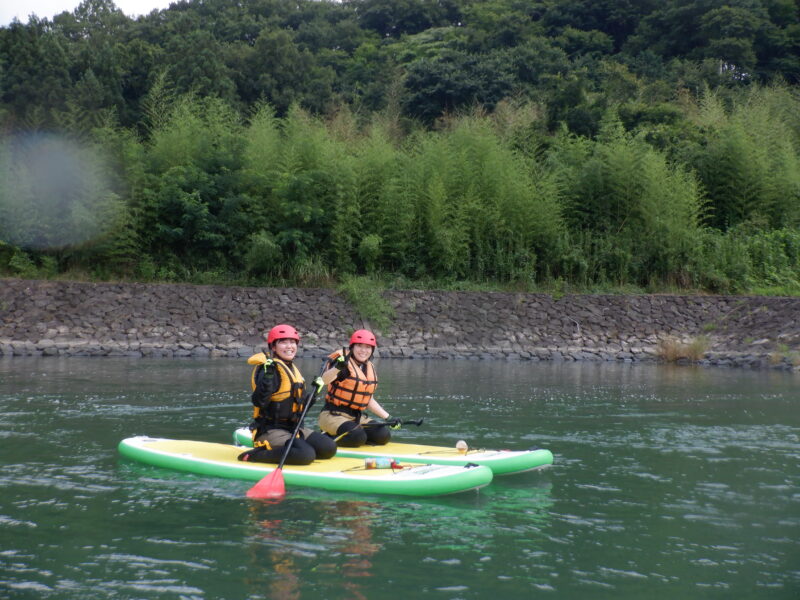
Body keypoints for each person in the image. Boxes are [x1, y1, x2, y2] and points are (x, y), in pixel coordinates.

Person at [238, 324, 337, 465]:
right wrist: (267, 379)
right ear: (273, 347)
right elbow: (259, 402)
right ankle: (255, 455)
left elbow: (300, 409)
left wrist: (314, 393)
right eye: (283, 342)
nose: (289, 346)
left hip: (293, 429)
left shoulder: (292, 369)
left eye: (292, 342)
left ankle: (294, 448)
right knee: (306, 455)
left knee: (329, 448)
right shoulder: (267, 369)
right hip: (270, 430)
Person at [317, 329, 398, 447]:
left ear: (372, 350)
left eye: (368, 347)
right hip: (332, 415)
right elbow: (324, 380)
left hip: (356, 417)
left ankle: (355, 435)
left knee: (383, 435)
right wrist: (337, 368)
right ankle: (326, 436)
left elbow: (367, 399)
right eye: (360, 346)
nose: (363, 351)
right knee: (357, 437)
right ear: (352, 347)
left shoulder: (368, 366)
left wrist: (388, 417)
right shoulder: (342, 363)